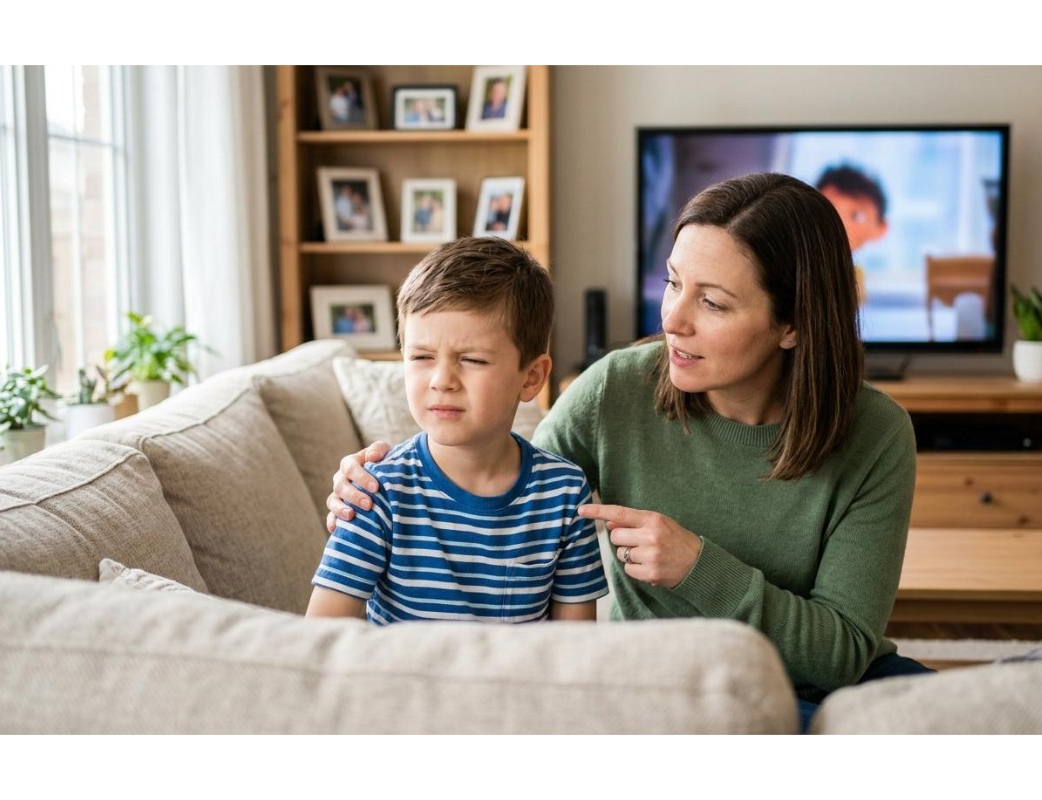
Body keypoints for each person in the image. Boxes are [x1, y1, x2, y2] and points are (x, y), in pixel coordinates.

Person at [325, 173, 932, 728]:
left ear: (793, 323)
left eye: (712, 302)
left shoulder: (875, 435)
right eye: (673, 283)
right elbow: (507, 482)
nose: (673, 319)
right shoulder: (619, 386)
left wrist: (700, 569)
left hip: (826, 684)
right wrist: (371, 486)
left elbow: (845, 653)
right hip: (675, 690)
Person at [307, 236, 609, 624]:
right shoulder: (376, 491)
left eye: (471, 359)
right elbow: (323, 638)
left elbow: (573, 650)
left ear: (531, 377)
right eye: (421, 356)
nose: (442, 380)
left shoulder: (564, 495)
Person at [816, 163, 889, 304]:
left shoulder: (855, 275)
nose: (841, 225)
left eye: (856, 216)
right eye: (830, 212)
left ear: (881, 228)